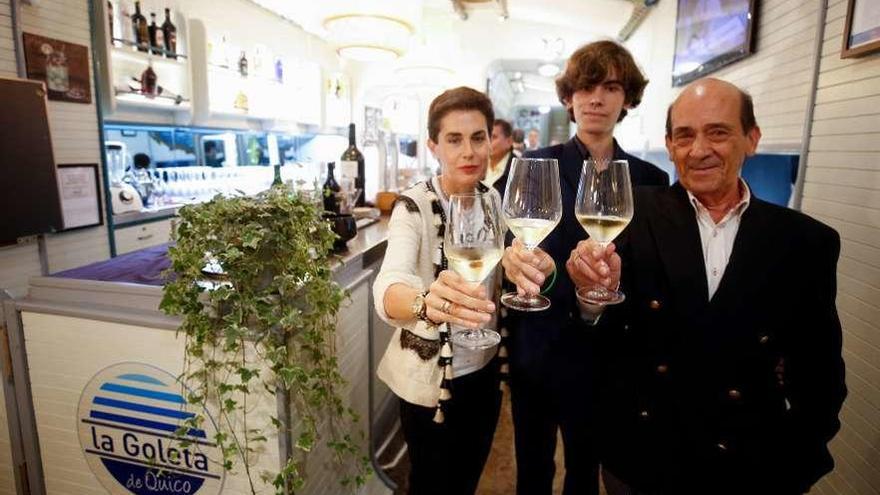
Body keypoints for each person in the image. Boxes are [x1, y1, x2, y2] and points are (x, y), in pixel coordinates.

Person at [566, 78, 846, 494]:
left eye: (718, 132)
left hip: (750, 468)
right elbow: (598, 346)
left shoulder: (805, 241)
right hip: (643, 462)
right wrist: (588, 298)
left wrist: (795, 464)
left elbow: (819, 370)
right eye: (685, 136)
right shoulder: (628, 215)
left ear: (752, 138)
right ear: (669, 144)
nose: (699, 150)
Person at [499, 40, 669, 495]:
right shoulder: (535, 165)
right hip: (538, 344)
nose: (596, 98)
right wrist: (511, 260)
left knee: (585, 471)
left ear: (627, 98)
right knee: (532, 469)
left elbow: (647, 271)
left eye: (611, 86)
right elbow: (513, 251)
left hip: (607, 355)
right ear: (569, 97)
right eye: (586, 86)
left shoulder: (651, 181)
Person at [373, 86, 503, 495]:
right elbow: (389, 285)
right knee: (430, 485)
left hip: (484, 372)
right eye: (454, 139)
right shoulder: (412, 207)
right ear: (433, 146)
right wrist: (423, 303)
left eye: (478, 138)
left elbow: (506, 271)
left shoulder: (492, 198)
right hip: (431, 385)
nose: (469, 151)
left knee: (466, 482)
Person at [484, 118, 515, 192]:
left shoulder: (517, 171)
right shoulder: (478, 164)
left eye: (493, 137)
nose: (487, 142)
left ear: (509, 141)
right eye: (485, 137)